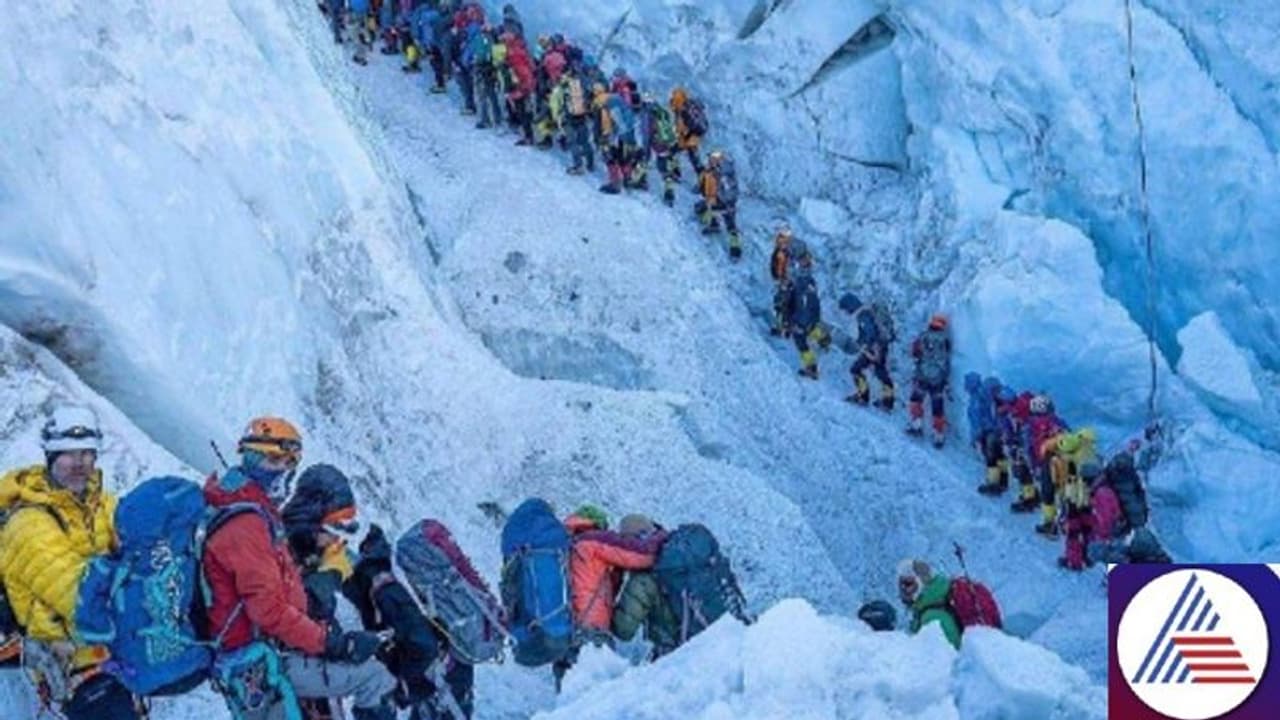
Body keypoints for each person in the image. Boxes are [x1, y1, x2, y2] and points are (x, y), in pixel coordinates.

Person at [201, 417, 396, 720]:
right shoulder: (246, 524)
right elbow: (269, 611)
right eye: (274, 459)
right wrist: (335, 644)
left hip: (264, 653)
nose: (284, 470)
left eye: (291, 461)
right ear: (250, 458)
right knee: (374, 678)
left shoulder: (249, 510)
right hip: (262, 659)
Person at [0, 406, 139, 719]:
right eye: (67, 454)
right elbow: (78, 598)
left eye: (87, 453)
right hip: (69, 654)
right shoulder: (28, 524)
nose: (79, 464)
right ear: (50, 457)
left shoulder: (102, 503)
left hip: (109, 640)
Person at [556, 505, 662, 686]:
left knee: (572, 702)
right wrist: (660, 535)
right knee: (598, 702)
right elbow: (642, 555)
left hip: (562, 639)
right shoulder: (593, 541)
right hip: (590, 635)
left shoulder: (564, 548)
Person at [610, 515, 678, 660]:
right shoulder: (673, 556)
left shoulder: (643, 578)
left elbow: (624, 629)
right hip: (709, 637)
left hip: (675, 650)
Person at [837, 293, 895, 410]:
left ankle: (864, 397)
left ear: (850, 306)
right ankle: (887, 401)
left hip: (875, 349)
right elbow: (867, 334)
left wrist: (870, 349)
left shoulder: (863, 315)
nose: (846, 312)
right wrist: (859, 343)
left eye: (845, 309)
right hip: (880, 347)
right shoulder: (866, 312)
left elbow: (871, 334)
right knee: (881, 372)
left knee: (856, 369)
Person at [1025, 396, 1069, 536]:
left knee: (1047, 492)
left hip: (1045, 462)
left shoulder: (1031, 425)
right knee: (1063, 491)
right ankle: (1065, 520)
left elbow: (1030, 447)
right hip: (1063, 460)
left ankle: (1050, 523)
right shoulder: (1058, 422)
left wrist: (1033, 465)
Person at [906, 314, 952, 447]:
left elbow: (915, 353)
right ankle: (938, 435)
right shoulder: (946, 340)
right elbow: (947, 357)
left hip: (923, 376)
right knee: (937, 407)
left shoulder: (923, 336)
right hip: (939, 378)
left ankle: (917, 425)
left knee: (916, 400)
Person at [897, 559, 960, 649]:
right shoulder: (925, 609)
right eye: (900, 584)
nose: (903, 589)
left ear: (921, 583)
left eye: (908, 584)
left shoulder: (934, 620)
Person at [694, 150, 742, 259]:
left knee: (729, 224)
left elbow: (729, 190)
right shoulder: (714, 171)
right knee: (703, 209)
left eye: (712, 159)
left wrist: (728, 203)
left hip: (723, 202)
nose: (710, 161)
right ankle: (714, 224)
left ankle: (735, 250)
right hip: (718, 201)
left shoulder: (723, 175)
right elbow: (703, 183)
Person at [787, 252, 827, 379]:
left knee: (801, 341)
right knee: (810, 330)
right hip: (807, 317)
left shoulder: (803, 283)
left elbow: (807, 305)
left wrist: (801, 324)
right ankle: (823, 339)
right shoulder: (807, 281)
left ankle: (811, 368)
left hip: (804, 319)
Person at [969, 376, 1008, 495]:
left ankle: (993, 483)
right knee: (1000, 455)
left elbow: (976, 421)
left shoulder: (977, 400)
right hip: (998, 432)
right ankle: (1003, 479)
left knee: (991, 457)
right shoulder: (997, 400)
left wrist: (975, 436)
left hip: (987, 433)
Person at [559, 61, 595, 175]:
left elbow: (561, 100)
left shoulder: (565, 83)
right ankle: (590, 163)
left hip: (569, 117)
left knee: (573, 142)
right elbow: (590, 96)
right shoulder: (583, 81)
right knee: (585, 141)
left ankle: (578, 166)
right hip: (582, 116)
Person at [670, 86, 707, 177]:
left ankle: (703, 178)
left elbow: (690, 125)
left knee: (690, 153)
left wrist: (685, 135)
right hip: (695, 133)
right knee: (690, 154)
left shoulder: (684, 110)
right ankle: (701, 176)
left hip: (693, 133)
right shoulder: (688, 106)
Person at [769, 226, 795, 336]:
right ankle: (785, 327)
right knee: (784, 305)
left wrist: (783, 281)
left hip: (785, 282)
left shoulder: (783, 253)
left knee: (782, 305)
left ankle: (781, 328)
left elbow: (782, 269)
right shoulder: (785, 252)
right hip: (786, 282)